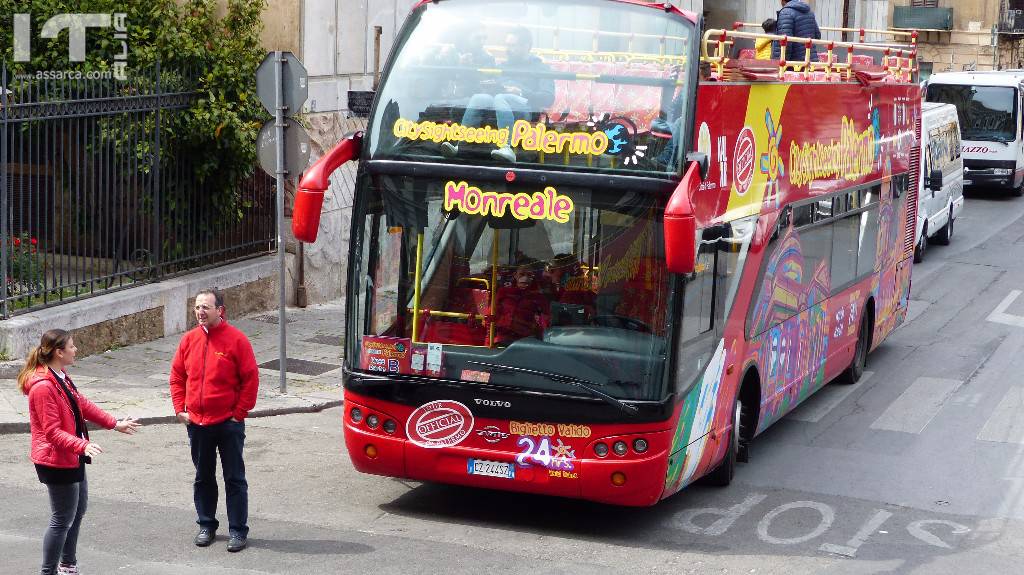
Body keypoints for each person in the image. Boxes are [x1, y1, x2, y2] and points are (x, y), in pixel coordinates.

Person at [20, 329, 141, 575]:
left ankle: (68, 564)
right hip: (56, 460)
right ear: (59, 352)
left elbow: (81, 404)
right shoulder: (43, 387)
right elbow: (52, 432)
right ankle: (48, 572)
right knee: (62, 518)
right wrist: (82, 445)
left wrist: (114, 423)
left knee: (78, 510)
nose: (76, 350)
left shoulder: (60, 375)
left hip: (71, 456)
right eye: (72, 347)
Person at [169, 289, 259, 553]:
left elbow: (250, 380)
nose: (200, 312)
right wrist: (179, 409)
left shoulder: (237, 341)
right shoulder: (188, 341)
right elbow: (176, 377)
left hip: (228, 423)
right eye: (197, 307)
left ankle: (237, 531)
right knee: (203, 477)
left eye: (206, 307)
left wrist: (239, 413)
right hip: (197, 424)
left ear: (220, 310)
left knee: (234, 478)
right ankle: (206, 525)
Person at [441, 26, 555, 163]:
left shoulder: (541, 68)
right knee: (479, 98)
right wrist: (488, 86)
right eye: (507, 45)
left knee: (501, 98)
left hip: (525, 111)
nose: (508, 49)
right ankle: (461, 145)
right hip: (497, 108)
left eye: (513, 45)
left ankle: (506, 147)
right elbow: (485, 86)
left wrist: (521, 92)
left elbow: (548, 97)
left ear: (527, 46)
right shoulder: (503, 67)